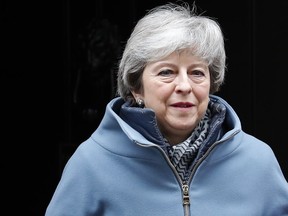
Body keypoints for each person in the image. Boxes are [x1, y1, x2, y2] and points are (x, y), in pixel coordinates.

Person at [45, 2, 288, 216]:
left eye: (196, 72)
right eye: (166, 72)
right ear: (136, 88)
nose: (184, 85)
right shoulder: (91, 163)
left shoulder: (258, 161)